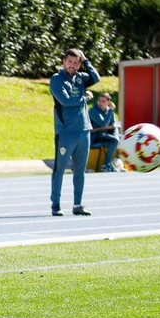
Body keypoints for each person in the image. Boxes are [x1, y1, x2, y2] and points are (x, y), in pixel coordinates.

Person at [50, 47, 100, 216]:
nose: (72, 65)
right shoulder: (57, 79)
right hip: (66, 132)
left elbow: (95, 78)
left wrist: (87, 62)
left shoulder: (81, 77)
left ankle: (77, 204)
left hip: (84, 130)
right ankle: (55, 205)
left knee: (80, 170)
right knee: (60, 169)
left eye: (76, 63)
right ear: (64, 62)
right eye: (69, 62)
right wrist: (85, 98)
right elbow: (65, 101)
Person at [89, 93, 120, 171]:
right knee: (115, 140)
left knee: (120, 137)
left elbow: (113, 124)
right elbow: (103, 123)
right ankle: (106, 164)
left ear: (108, 102)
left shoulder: (109, 111)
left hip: (104, 134)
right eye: (99, 101)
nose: (100, 103)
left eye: (103, 101)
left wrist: (114, 132)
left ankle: (118, 164)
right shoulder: (93, 110)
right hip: (95, 136)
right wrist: (111, 111)